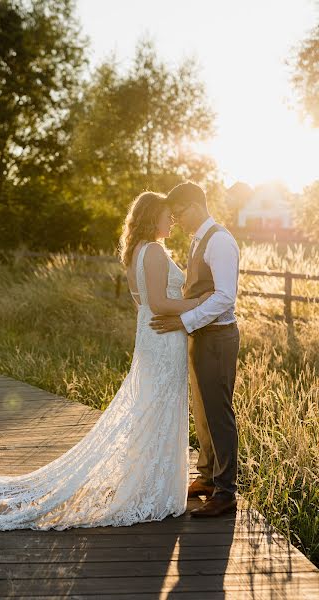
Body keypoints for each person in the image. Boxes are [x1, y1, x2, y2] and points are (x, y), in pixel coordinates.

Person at [0, 191, 211, 593]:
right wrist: (199, 300)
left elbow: (144, 305)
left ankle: (153, 483)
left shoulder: (142, 250)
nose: (172, 223)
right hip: (162, 341)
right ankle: (152, 490)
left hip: (158, 340)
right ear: (153, 217)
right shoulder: (151, 250)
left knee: (154, 411)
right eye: (168, 215)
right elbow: (158, 303)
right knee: (155, 410)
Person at [150, 181, 240, 518]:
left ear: (194, 205)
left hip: (218, 336)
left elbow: (224, 296)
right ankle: (206, 476)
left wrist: (185, 321)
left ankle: (226, 491)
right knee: (202, 411)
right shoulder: (199, 239)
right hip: (203, 336)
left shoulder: (219, 240)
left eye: (179, 213)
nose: (177, 221)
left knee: (219, 413)